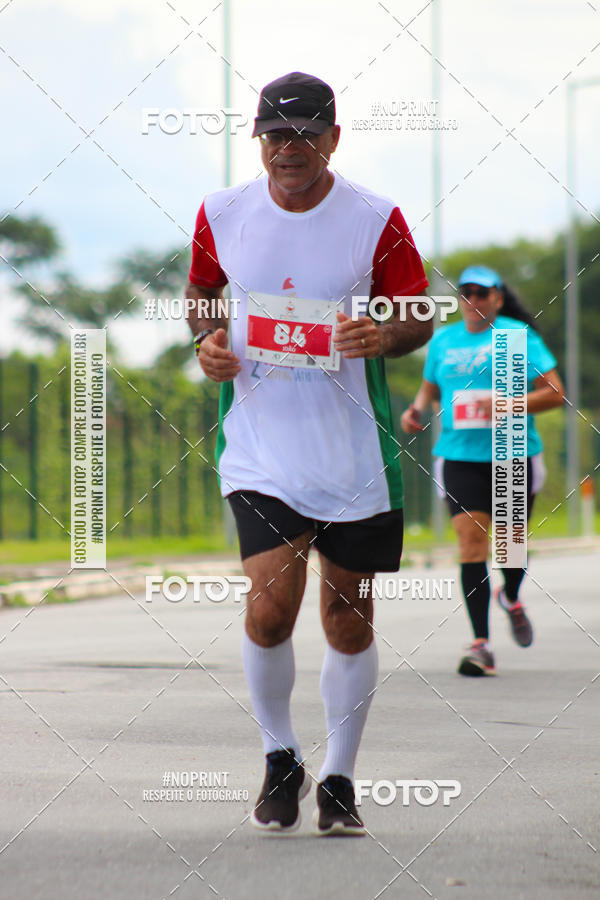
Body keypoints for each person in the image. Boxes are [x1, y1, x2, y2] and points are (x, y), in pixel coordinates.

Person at [185, 72, 430, 834]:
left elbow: (417, 311)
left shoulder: (376, 219)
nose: (287, 150)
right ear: (257, 140)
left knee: (347, 621)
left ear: (332, 139)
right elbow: (201, 294)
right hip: (262, 451)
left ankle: (340, 780)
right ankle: (280, 757)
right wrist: (207, 340)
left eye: (303, 135)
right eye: (273, 136)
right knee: (268, 610)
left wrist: (384, 335)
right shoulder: (222, 212)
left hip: (354, 456)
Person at [401, 265, 565, 677]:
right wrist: (417, 409)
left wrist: (509, 405)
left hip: (511, 450)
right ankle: (481, 644)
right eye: (465, 293)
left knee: (510, 546)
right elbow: (431, 386)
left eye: (481, 293)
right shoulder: (444, 341)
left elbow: (555, 393)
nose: (472, 301)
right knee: (471, 543)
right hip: (459, 455)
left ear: (497, 297)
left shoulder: (516, 337)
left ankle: (510, 596)